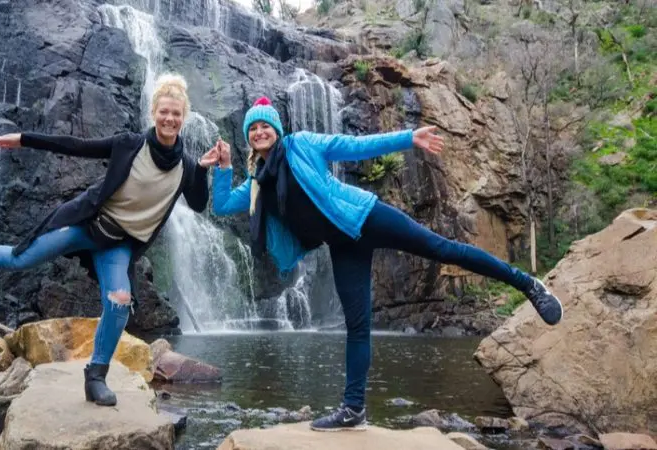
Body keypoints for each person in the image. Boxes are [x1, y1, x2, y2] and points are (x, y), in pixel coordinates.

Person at [210, 96, 563, 432]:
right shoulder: (257, 184)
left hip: (366, 216)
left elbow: (354, 146)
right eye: (253, 128)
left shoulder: (301, 144)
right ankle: (354, 409)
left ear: (276, 129)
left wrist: (409, 138)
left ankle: (528, 284)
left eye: (265, 126)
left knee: (443, 249)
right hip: (343, 245)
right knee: (357, 326)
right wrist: (224, 167)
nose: (259, 132)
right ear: (248, 138)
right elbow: (222, 205)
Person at [0, 73, 221, 407]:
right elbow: (76, 146)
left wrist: (202, 170)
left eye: (176, 113)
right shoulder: (130, 144)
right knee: (20, 258)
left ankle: (95, 376)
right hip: (86, 224)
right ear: (154, 113)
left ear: (184, 117)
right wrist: (24, 139)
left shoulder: (186, 167)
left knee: (119, 301)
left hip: (118, 245)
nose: (169, 119)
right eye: (164, 112)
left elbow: (198, 203)